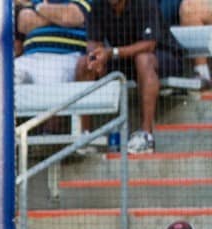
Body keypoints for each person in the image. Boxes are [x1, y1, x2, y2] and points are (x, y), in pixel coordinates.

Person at [76, 0, 187, 154]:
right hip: (125, 59)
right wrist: (96, 57)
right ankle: (85, 136)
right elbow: (94, 42)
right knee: (84, 63)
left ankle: (146, 135)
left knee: (143, 59)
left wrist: (111, 53)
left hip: (163, 56)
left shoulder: (145, 3)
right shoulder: (98, 5)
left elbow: (149, 44)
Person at [14, 0, 90, 85]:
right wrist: (57, 16)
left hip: (65, 57)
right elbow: (24, 23)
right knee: (5, 77)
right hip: (29, 58)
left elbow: (68, 17)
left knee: (47, 85)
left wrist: (39, 8)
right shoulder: (37, 1)